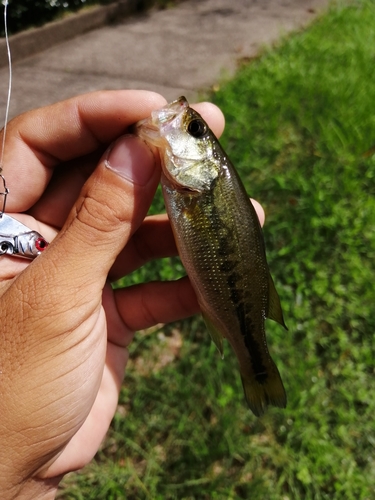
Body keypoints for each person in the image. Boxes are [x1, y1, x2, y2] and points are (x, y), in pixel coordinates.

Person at [0, 90, 264, 499]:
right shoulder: (189, 183)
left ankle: (256, 364)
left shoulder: (199, 191)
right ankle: (255, 361)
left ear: (209, 170)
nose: (185, 123)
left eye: (193, 130)